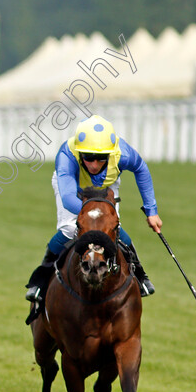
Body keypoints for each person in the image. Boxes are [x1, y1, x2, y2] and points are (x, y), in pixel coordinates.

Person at [25, 114, 162, 303]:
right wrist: (91, 214)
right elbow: (67, 198)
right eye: (88, 158)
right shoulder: (66, 155)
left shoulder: (124, 153)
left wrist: (152, 211)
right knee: (70, 228)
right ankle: (40, 279)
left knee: (113, 228)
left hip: (106, 184)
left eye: (101, 158)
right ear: (80, 153)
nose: (95, 165)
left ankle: (140, 274)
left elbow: (141, 169)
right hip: (74, 186)